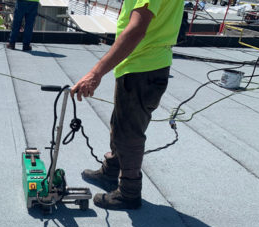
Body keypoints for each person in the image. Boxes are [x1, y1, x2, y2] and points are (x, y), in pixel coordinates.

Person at [71, 0, 184, 210]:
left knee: (129, 132)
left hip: (143, 67)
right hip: (143, 65)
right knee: (121, 123)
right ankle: (111, 171)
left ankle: (129, 192)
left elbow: (136, 30)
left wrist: (95, 73)